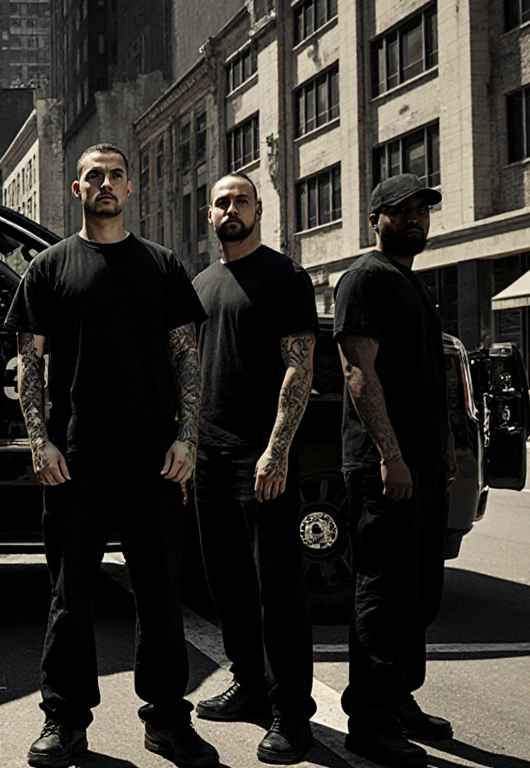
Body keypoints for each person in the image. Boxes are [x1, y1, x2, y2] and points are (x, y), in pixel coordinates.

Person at [6, 144, 218, 768]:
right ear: (76, 189)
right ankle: (64, 722)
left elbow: (186, 355)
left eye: (115, 176)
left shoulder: (163, 266)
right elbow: (30, 361)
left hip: (154, 458)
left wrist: (188, 437)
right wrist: (39, 440)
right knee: (71, 596)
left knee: (159, 592)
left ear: (130, 188)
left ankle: (167, 721)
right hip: (76, 459)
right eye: (93, 176)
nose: (104, 184)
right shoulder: (48, 268)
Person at [190, 173, 318, 764]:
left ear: (259, 209)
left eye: (241, 200)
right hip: (209, 456)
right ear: (209, 216)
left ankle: (292, 713)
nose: (230, 209)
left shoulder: (284, 276)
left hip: (260, 456)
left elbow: (299, 368)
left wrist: (277, 447)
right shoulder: (201, 285)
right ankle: (248, 685)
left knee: (278, 587)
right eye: (221, 202)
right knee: (227, 583)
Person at [335, 174, 455, 768]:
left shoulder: (411, 283)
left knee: (417, 595)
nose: (414, 220)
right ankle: (370, 722)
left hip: (424, 466)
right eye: (401, 211)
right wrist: (391, 455)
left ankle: (400, 699)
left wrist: (444, 454)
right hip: (386, 468)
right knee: (382, 596)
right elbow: (359, 372)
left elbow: (425, 380)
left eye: (421, 211)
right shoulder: (366, 278)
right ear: (375, 218)